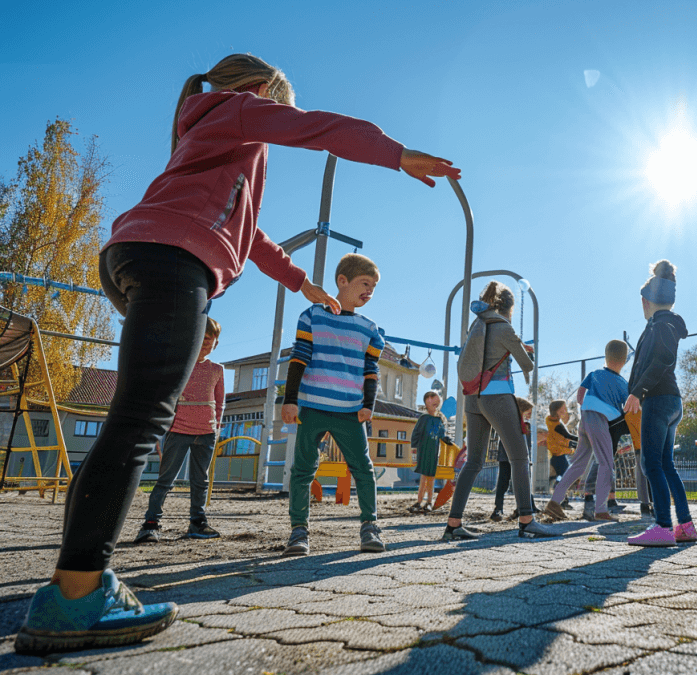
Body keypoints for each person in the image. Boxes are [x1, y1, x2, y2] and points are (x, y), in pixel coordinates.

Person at [13, 53, 460, 656]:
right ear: (261, 90)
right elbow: (318, 128)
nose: (280, 116)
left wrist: (303, 284)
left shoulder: (209, 132)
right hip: (173, 261)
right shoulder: (242, 110)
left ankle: (77, 582)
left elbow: (250, 237)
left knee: (133, 413)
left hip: (134, 255)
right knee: (140, 421)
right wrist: (394, 153)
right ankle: (74, 595)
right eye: (279, 102)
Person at [280, 253, 389, 556]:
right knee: (302, 470)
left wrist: (369, 404)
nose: (370, 290)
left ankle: (370, 527)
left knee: (363, 470)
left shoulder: (369, 329)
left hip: (350, 411)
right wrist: (289, 400)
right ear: (342, 281)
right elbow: (298, 358)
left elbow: (371, 371)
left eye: (374, 287)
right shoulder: (312, 316)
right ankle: (299, 532)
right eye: (364, 283)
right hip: (312, 407)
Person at [444, 281, 557, 540]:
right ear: (509, 307)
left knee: (473, 461)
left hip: (473, 398)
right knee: (519, 457)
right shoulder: (504, 326)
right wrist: (528, 350)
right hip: (497, 396)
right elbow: (527, 364)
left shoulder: (478, 324)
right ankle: (528, 521)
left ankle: (453, 524)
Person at [135, 317, 225, 543]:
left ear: (216, 343)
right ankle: (151, 524)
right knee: (165, 480)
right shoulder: (180, 365)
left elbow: (220, 402)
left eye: (211, 340)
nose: (207, 344)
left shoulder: (217, 370)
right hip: (178, 430)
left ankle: (197, 523)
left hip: (206, 433)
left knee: (200, 481)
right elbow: (165, 397)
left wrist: (216, 427)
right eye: (203, 339)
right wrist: (159, 427)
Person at [625, 261, 694, 547]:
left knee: (650, 463)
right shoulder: (665, 323)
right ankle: (685, 526)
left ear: (645, 301)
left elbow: (662, 361)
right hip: (671, 400)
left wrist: (637, 391)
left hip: (658, 398)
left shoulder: (661, 325)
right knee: (666, 464)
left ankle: (663, 526)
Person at [544, 340, 631, 522]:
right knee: (606, 464)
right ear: (624, 361)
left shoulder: (594, 374)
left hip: (586, 417)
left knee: (579, 464)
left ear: (606, 357)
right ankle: (601, 510)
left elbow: (580, 395)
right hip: (601, 420)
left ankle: (554, 502)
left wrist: (588, 409)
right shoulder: (623, 383)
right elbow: (628, 408)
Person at [491, 397, 537, 520]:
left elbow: (527, 444)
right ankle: (498, 508)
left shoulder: (526, 425)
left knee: (523, 482)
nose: (530, 415)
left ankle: (525, 507)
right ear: (520, 410)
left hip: (520, 458)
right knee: (503, 482)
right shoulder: (509, 421)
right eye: (528, 411)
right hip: (506, 457)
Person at [410, 390, 453, 513]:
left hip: (434, 452)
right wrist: (414, 449)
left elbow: (441, 434)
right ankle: (419, 501)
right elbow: (416, 434)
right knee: (424, 477)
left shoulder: (439, 420)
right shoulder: (423, 418)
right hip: (423, 451)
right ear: (427, 401)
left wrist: (446, 439)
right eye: (433, 401)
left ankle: (429, 502)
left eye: (437, 402)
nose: (436, 404)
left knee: (431, 477)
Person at [543, 399, 578, 509]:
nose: (565, 411)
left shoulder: (549, 420)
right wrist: (581, 440)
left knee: (563, 477)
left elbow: (561, 439)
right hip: (560, 456)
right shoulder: (557, 425)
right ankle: (561, 500)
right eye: (563, 410)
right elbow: (568, 436)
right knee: (565, 479)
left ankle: (561, 497)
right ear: (556, 411)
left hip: (556, 456)